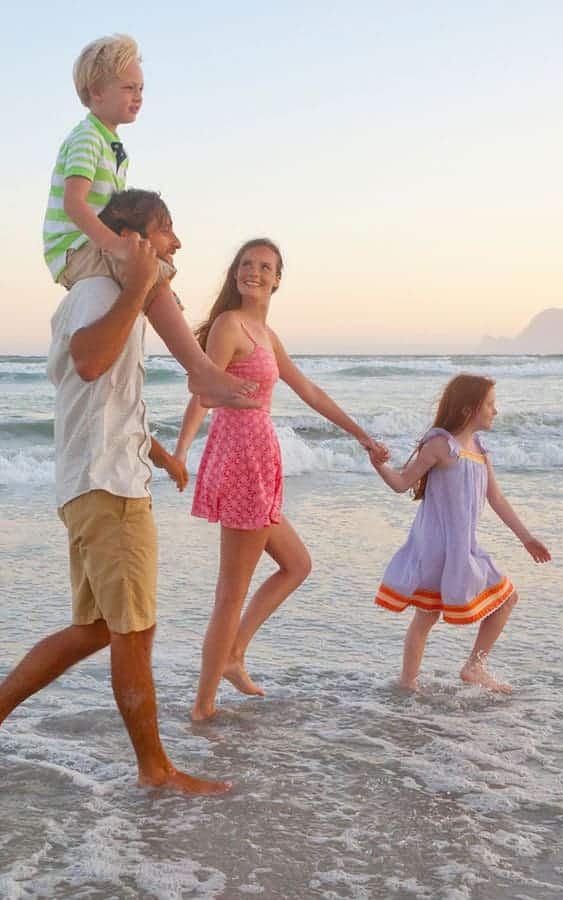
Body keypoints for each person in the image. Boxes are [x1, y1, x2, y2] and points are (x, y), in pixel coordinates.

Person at [0, 190, 252, 796]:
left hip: (100, 481)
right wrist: (139, 287)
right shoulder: (100, 293)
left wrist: (162, 454)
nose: (177, 244)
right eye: (166, 230)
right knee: (134, 632)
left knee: (97, 630)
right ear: (130, 239)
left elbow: (108, 399)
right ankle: (156, 771)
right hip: (107, 489)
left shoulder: (104, 296)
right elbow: (90, 362)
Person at [172, 239, 386, 721]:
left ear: (277, 279)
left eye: (264, 267)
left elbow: (308, 390)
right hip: (243, 457)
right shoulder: (229, 325)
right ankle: (203, 707)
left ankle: (233, 654)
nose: (253, 272)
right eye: (246, 265)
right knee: (231, 592)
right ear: (235, 274)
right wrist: (183, 448)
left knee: (296, 563)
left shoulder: (265, 334)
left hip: (260, 459)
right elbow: (203, 388)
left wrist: (361, 435)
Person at [369, 374, 551, 692]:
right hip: (436, 548)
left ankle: (473, 667)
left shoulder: (480, 448)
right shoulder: (440, 445)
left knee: (506, 599)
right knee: (427, 616)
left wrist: (527, 538)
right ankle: (409, 682)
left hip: (465, 548)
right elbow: (402, 483)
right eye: (490, 405)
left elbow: (496, 499)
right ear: (469, 410)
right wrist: (377, 464)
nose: (496, 411)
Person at [42, 34, 177, 302]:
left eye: (140, 88)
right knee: (153, 279)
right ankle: (190, 346)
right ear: (97, 91)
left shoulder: (114, 145)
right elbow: (74, 204)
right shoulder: (87, 138)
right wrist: (117, 246)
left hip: (93, 244)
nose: (138, 96)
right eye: (129, 88)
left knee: (157, 268)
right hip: (73, 249)